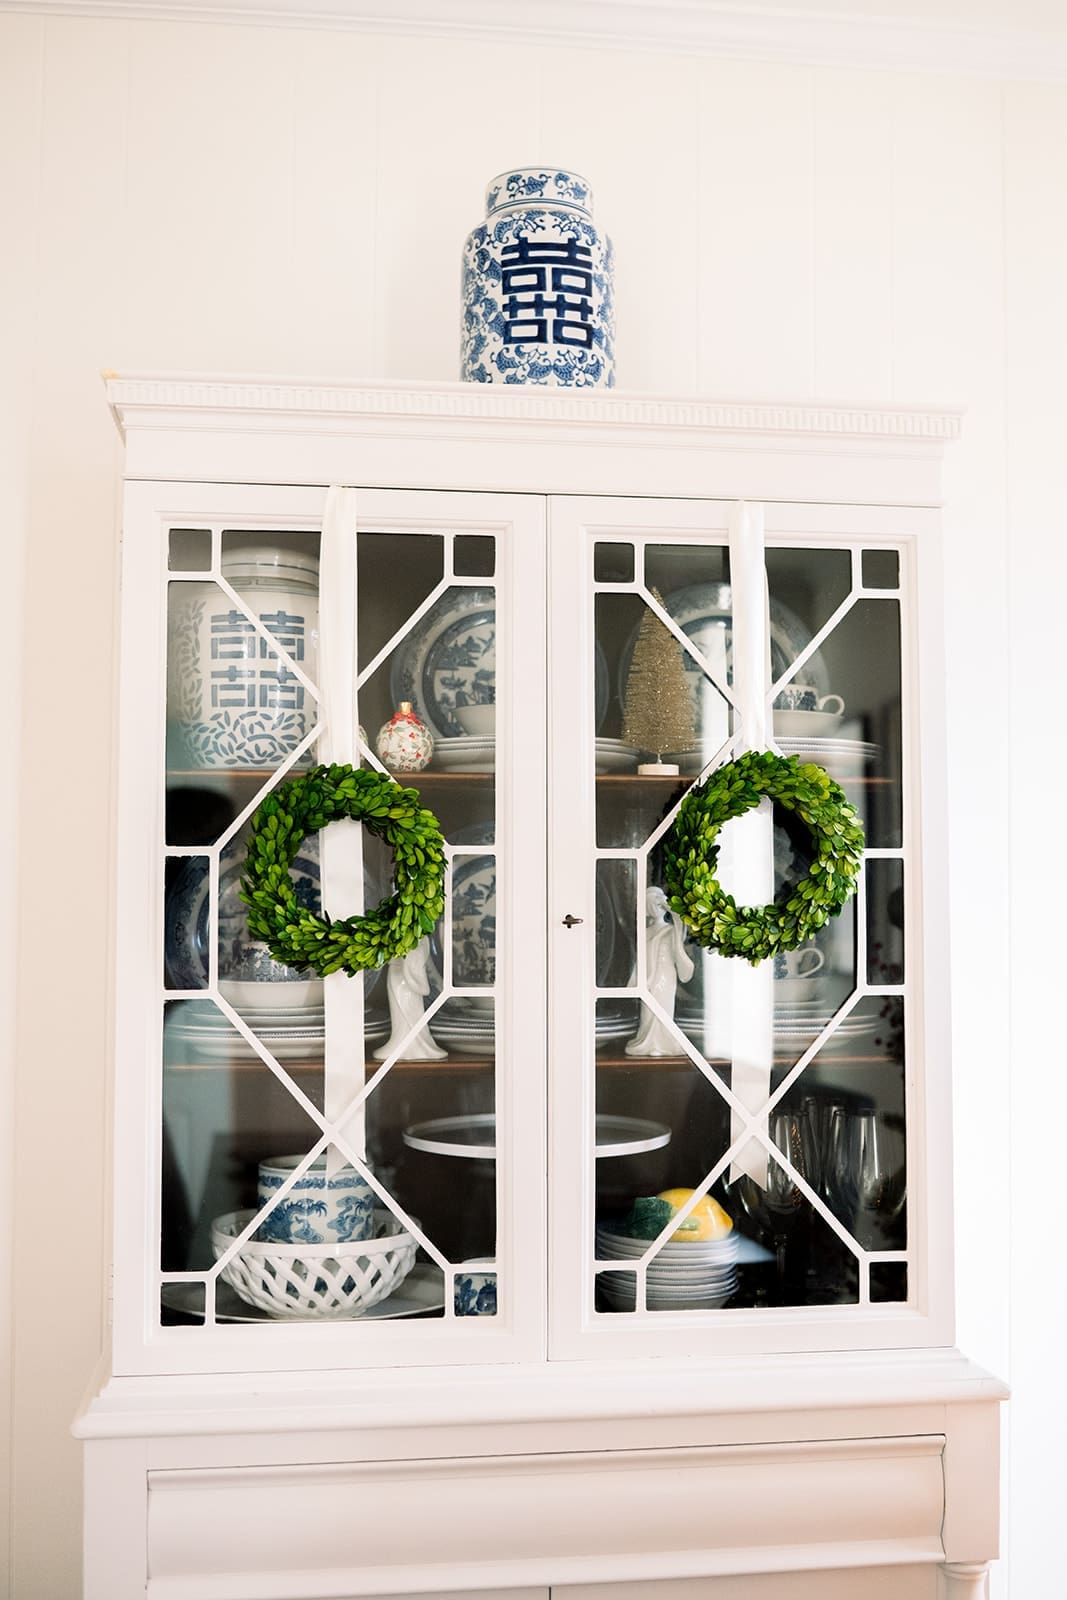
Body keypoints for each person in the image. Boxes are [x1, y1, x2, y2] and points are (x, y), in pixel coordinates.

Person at [625, 886, 694, 1057]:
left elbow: (680, 922)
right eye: (650, 905)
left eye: (656, 905)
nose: (654, 909)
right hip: (648, 975)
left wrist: (667, 904)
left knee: (663, 1009)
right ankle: (648, 1043)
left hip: (665, 974)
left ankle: (664, 1044)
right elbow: (639, 958)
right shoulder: (645, 932)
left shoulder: (671, 929)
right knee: (648, 1012)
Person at [374, 936, 447, 1060]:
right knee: (400, 1015)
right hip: (396, 976)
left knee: (410, 1012)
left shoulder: (417, 937)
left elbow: (416, 960)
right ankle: (399, 1043)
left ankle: (415, 1046)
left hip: (405, 980)